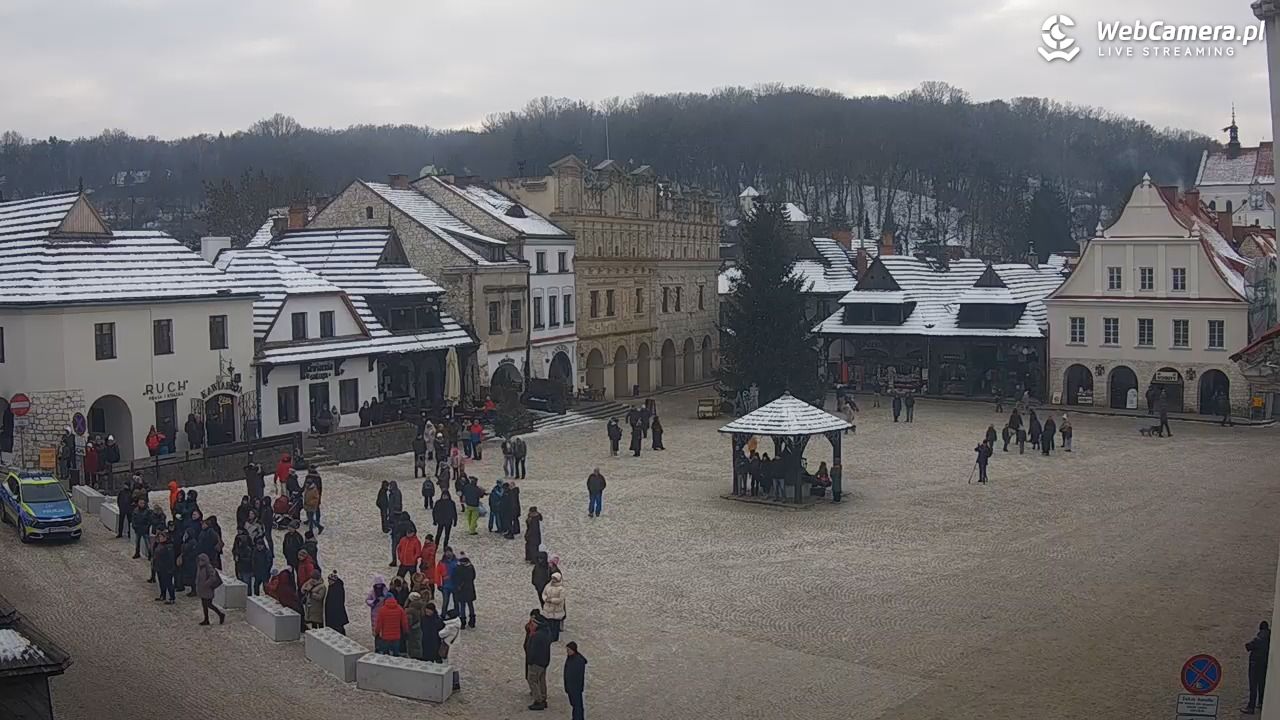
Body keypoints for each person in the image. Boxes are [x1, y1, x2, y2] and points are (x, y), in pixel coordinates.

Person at [526, 616, 553, 711]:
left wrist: (530, 661)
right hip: (544, 661)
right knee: (541, 680)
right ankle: (543, 697)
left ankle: (538, 701)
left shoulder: (536, 636)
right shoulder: (547, 632)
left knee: (532, 680)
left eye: (532, 624)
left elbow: (532, 650)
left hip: (536, 662)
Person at [1245, 620, 1270, 714]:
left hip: (1255, 664)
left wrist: (1249, 645)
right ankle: (1261, 702)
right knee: (1262, 684)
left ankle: (1251, 707)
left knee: (1253, 686)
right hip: (1264, 664)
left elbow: (1249, 646)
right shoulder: (1270, 636)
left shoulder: (1259, 638)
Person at [195, 554, 226, 626]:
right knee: (205, 605)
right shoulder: (200, 567)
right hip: (202, 590)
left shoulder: (208, 567)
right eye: (199, 560)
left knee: (208, 604)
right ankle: (206, 619)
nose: (200, 561)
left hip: (208, 590)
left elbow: (212, 578)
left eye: (202, 560)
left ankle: (220, 614)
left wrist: (206, 584)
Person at [452, 553, 477, 629]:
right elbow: (473, 577)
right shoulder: (470, 567)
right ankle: (472, 621)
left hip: (461, 589)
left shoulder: (458, 568)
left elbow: (455, 577)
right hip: (469, 589)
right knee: (470, 605)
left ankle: (463, 621)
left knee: (462, 605)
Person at [152, 530, 177, 604]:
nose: (160, 538)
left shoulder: (169, 546)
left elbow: (171, 559)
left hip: (166, 568)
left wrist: (170, 569)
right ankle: (162, 595)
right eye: (160, 537)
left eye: (162, 537)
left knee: (168, 583)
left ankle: (172, 598)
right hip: (159, 567)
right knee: (161, 582)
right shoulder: (159, 544)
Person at [564, 641, 588, 720]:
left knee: (577, 705)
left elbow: (575, 676)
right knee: (575, 705)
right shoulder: (571, 658)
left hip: (575, 687)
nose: (567, 651)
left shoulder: (578, 661)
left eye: (568, 650)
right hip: (572, 687)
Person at [541, 572, 566, 642]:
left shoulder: (561, 589)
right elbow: (544, 593)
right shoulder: (548, 585)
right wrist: (545, 599)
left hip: (556, 610)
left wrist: (551, 600)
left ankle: (555, 638)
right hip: (548, 609)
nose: (553, 580)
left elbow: (560, 599)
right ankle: (548, 636)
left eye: (554, 579)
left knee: (555, 625)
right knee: (548, 623)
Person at [325, 571, 349, 635]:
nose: (328, 581)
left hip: (336, 613)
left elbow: (335, 602)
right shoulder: (335, 587)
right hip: (336, 613)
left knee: (337, 627)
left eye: (329, 580)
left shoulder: (336, 589)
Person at [436, 547, 458, 615]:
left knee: (456, 602)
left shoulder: (457, 562)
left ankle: (457, 614)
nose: (448, 554)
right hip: (445, 586)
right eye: (446, 552)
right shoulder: (441, 563)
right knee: (445, 602)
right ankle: (443, 615)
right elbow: (437, 574)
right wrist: (439, 584)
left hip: (455, 586)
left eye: (449, 552)